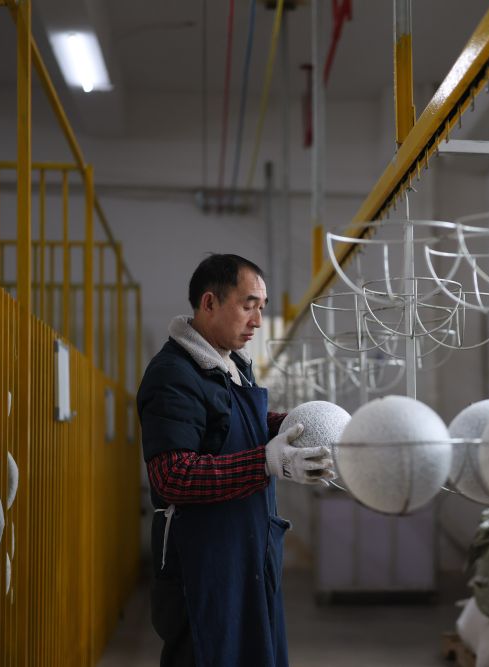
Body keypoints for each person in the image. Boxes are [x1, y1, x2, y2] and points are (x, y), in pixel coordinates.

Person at [137, 253, 336, 667]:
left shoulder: (231, 366)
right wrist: (265, 463)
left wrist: (304, 426)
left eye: (261, 308)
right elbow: (173, 475)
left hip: (247, 558)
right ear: (209, 303)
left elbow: (242, 423)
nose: (258, 321)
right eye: (248, 306)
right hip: (203, 569)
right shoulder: (174, 375)